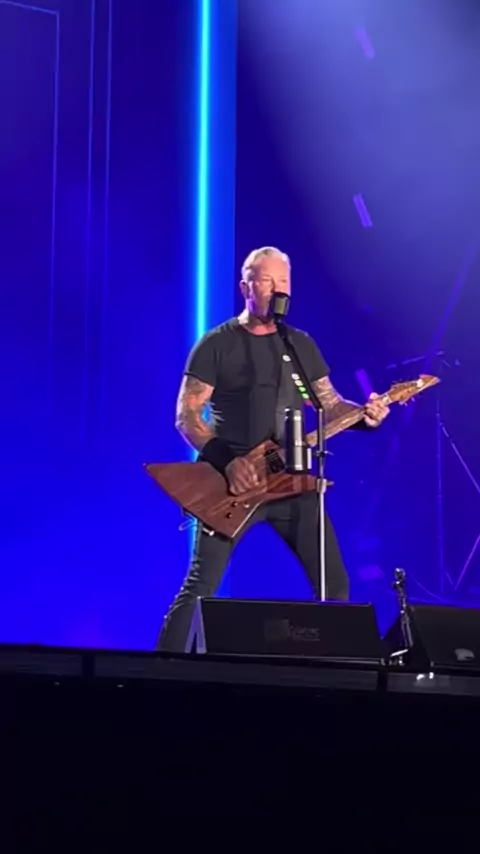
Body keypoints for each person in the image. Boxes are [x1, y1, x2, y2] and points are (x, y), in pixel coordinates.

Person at [155, 247, 389, 651]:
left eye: (284, 281)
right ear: (245, 287)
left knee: (334, 584)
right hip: (231, 486)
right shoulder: (216, 344)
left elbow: (329, 405)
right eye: (267, 281)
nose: (277, 289)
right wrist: (227, 462)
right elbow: (186, 416)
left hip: (289, 480)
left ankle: (330, 672)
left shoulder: (299, 345)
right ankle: (159, 670)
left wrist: (366, 417)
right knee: (200, 584)